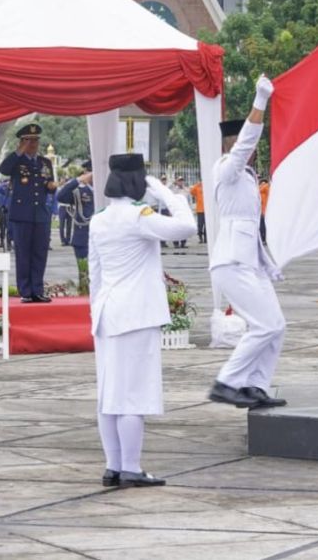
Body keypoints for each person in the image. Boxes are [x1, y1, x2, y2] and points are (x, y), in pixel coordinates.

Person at [89, 153, 196, 488]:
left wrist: (96, 310)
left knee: (110, 395)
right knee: (132, 395)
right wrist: (166, 193)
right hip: (135, 315)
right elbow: (188, 226)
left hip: (107, 313)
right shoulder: (139, 216)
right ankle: (132, 468)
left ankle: (113, 466)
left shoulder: (99, 219)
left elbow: (95, 274)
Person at [207, 75, 287, 410]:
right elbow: (242, 147)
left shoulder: (247, 177)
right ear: (232, 144)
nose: (251, 152)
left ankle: (255, 385)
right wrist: (260, 102)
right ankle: (227, 381)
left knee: (276, 326)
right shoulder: (226, 168)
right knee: (264, 325)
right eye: (245, 146)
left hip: (249, 261)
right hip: (231, 262)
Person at [0, 123, 57, 303]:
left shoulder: (44, 162)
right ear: (22, 142)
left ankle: (37, 290)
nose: (33, 144)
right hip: (21, 214)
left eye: (35, 141)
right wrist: (18, 152)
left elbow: (48, 185)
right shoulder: (17, 161)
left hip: (40, 214)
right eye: (29, 141)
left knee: (40, 253)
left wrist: (51, 187)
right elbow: (3, 170)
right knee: (23, 253)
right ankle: (25, 291)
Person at [56, 160, 94, 293]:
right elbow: (60, 196)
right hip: (82, 236)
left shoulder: (106, 189)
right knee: (84, 275)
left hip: (101, 237)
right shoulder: (78, 190)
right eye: (90, 172)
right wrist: (77, 180)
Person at [189, 178, 206, 243]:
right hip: (199, 210)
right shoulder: (197, 187)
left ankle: (206, 239)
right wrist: (197, 184)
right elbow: (191, 192)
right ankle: (200, 238)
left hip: (206, 210)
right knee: (200, 225)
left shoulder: (207, 187)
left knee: (206, 225)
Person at [259, 175, 270, 245]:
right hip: (264, 211)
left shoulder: (264, 187)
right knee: (263, 226)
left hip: (263, 211)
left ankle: (263, 239)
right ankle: (264, 239)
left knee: (262, 226)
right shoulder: (266, 188)